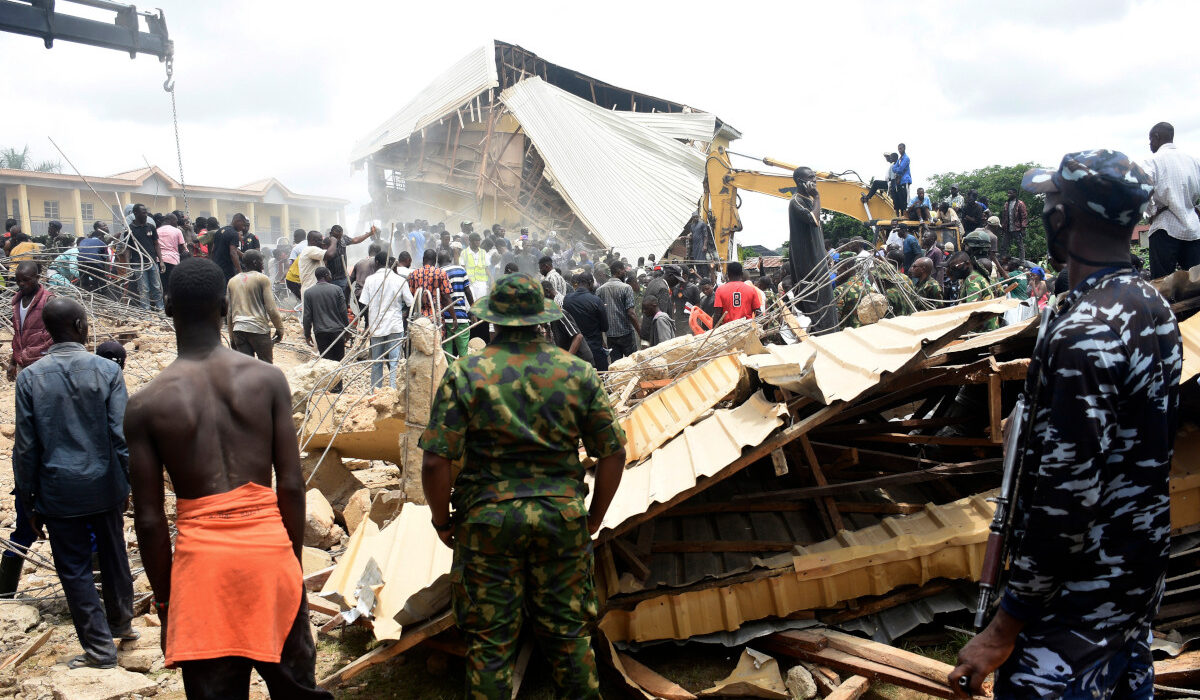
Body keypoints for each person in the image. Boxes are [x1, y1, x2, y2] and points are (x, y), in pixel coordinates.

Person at [951, 150, 1180, 698]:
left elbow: (1066, 499)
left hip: (1077, 594)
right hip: (1134, 576)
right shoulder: (1151, 306)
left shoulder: (1086, 333)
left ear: (1065, 219)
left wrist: (1003, 627)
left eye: (1051, 205)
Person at [124, 258, 330, 699]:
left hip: (202, 574)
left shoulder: (145, 405)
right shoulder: (268, 380)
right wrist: (290, 568)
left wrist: (165, 604)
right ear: (224, 308)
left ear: (166, 306)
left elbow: (149, 518)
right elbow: (291, 486)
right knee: (296, 689)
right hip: (269, 556)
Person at [419, 273, 625, 699]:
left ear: (492, 321)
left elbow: (436, 461)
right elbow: (613, 454)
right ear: (542, 321)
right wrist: (594, 518)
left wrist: (442, 522)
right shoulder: (577, 373)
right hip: (561, 520)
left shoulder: (465, 374)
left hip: (487, 524)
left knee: (491, 644)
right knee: (569, 638)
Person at [12, 298, 135, 667]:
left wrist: (27, 501)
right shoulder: (108, 372)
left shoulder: (30, 378)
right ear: (82, 326)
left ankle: (99, 649)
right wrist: (127, 483)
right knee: (114, 556)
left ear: (47, 330)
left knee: (75, 569)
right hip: (104, 484)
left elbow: (26, 447)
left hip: (58, 489)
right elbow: (121, 436)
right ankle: (122, 624)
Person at [1143, 121, 1200, 278]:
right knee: (1197, 282)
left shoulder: (1153, 161)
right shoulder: (1193, 161)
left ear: (1156, 137)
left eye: (1150, 140)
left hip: (1164, 227)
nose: (1150, 144)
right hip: (1193, 229)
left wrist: (1150, 211)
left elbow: (1142, 189)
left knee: (1161, 283)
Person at [359, 252, 411, 389]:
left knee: (377, 362)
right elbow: (410, 302)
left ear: (376, 263)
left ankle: (375, 392)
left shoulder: (370, 280)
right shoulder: (400, 280)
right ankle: (393, 391)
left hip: (377, 326)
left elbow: (364, 302)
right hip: (395, 325)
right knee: (394, 361)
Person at [226, 250, 285, 364]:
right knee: (265, 367)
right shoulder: (262, 279)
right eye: (261, 261)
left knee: (246, 369)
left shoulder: (232, 281)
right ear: (254, 262)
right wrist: (280, 329)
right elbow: (271, 309)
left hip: (239, 330)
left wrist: (232, 336)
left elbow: (229, 312)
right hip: (259, 330)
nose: (263, 264)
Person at [9, 261, 54, 379]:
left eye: (26, 280)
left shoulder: (48, 301)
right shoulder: (16, 302)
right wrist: (13, 362)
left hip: (43, 362)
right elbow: (17, 335)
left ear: (37, 277)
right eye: (18, 281)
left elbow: (58, 333)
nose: (21, 284)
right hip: (23, 362)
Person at [562, 272, 609, 371]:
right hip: (595, 349)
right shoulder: (596, 301)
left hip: (576, 350)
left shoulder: (567, 300)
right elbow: (605, 327)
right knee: (601, 378)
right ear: (590, 283)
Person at [302, 267, 349, 367]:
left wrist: (307, 334)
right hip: (337, 332)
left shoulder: (308, 293)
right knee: (338, 365)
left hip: (320, 333)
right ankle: (338, 383)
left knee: (326, 364)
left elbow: (307, 316)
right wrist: (347, 330)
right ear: (326, 275)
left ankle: (328, 383)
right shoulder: (337, 290)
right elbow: (343, 312)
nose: (331, 277)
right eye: (330, 275)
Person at [595, 261, 640, 362]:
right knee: (633, 364)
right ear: (618, 271)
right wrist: (640, 333)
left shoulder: (600, 290)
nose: (625, 272)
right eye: (623, 270)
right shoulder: (627, 288)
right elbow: (631, 313)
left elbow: (598, 316)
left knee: (617, 366)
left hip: (610, 335)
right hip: (626, 334)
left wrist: (602, 339)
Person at [542, 280, 593, 363]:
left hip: (580, 361)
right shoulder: (550, 317)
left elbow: (578, 337)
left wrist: (566, 359)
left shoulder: (560, 313)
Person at [326, 225, 377, 306]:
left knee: (344, 302)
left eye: (340, 236)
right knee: (333, 303)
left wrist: (369, 234)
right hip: (331, 278)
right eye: (336, 237)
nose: (338, 239)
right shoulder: (327, 241)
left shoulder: (343, 238)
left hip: (343, 277)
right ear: (331, 234)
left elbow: (355, 240)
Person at [127, 203, 164, 311]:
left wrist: (160, 261)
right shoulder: (130, 229)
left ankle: (160, 309)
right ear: (135, 213)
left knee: (157, 287)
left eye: (146, 212)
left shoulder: (150, 227)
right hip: (139, 264)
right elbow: (128, 248)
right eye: (143, 213)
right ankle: (146, 311)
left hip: (152, 262)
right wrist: (128, 264)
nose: (145, 215)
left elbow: (156, 244)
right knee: (144, 289)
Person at [439, 251, 473, 358]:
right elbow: (468, 291)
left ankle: (448, 373)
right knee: (463, 353)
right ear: (450, 259)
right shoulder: (461, 270)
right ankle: (463, 373)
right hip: (461, 318)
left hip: (445, 318)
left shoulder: (439, 272)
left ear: (438, 262)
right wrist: (474, 309)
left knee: (447, 353)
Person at [710, 262, 762, 327]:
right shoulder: (751, 290)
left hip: (728, 330)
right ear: (742, 274)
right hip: (746, 329)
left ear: (728, 274)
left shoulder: (720, 290)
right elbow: (758, 312)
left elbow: (717, 314)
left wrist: (713, 332)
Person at [156, 213, 187, 295]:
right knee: (173, 287)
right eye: (176, 221)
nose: (177, 223)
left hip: (159, 261)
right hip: (173, 261)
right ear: (171, 220)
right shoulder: (177, 231)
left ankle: (163, 305)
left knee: (162, 286)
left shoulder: (157, 230)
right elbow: (181, 248)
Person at [297, 230, 335, 297]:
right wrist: (334, 241)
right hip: (311, 290)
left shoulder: (314, 252)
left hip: (314, 290)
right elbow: (330, 255)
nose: (321, 243)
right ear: (312, 241)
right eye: (320, 240)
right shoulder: (311, 249)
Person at [209, 214, 247, 281]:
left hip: (216, 268)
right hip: (227, 270)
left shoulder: (219, 231)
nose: (243, 228)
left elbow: (213, 250)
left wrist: (212, 265)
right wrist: (240, 271)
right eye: (243, 225)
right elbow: (233, 253)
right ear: (237, 221)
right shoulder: (234, 234)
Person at [1000, 188, 1028, 261]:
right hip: (1007, 228)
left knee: (1020, 246)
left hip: (1017, 228)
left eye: (1011, 193)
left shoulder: (1020, 203)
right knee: (1003, 246)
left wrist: (1023, 228)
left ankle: (1022, 262)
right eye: (1008, 193)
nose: (1009, 195)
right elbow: (1004, 217)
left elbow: (1024, 216)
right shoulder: (1006, 204)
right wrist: (1003, 227)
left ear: (1015, 194)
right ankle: (1002, 260)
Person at [462, 232, 490, 298]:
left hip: (481, 283)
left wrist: (491, 279)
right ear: (470, 241)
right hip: (470, 283)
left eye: (479, 240)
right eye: (476, 240)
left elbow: (486, 268)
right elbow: (462, 267)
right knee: (471, 303)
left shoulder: (483, 252)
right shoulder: (464, 252)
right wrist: (467, 277)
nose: (478, 242)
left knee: (480, 302)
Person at [890, 143, 911, 214]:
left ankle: (905, 214)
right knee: (899, 198)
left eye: (901, 148)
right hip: (899, 181)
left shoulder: (906, 158)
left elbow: (900, 169)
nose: (899, 150)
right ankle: (901, 215)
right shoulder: (899, 159)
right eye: (898, 149)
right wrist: (897, 169)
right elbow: (893, 168)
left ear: (904, 148)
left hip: (905, 180)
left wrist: (897, 169)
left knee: (905, 199)